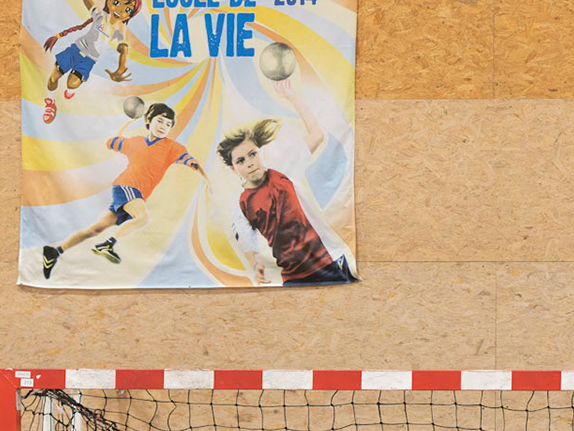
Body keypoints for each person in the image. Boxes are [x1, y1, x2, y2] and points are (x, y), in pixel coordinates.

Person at [42, 103, 210, 277]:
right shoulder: (135, 142)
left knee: (95, 229)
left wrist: (207, 183)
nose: (164, 127)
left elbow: (194, 164)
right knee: (143, 218)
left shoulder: (172, 148)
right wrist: (130, 121)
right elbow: (112, 141)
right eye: (160, 121)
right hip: (126, 187)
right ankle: (107, 244)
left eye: (168, 124)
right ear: (149, 121)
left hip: (136, 195)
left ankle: (54, 252)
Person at [218, 76, 356, 285]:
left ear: (259, 152)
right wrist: (257, 267)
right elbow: (249, 243)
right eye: (240, 160)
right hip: (293, 277)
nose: (249, 162)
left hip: (329, 261)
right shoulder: (240, 204)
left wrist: (292, 98)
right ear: (233, 168)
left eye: (252, 154)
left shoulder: (284, 169)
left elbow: (317, 134)